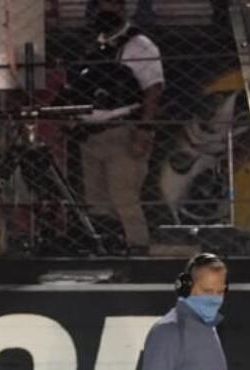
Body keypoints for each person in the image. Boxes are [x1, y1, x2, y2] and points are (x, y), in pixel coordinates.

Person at [68, 0, 163, 254]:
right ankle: (109, 249)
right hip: (91, 135)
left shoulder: (139, 45)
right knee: (96, 202)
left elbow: (153, 91)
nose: (104, 12)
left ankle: (138, 251)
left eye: (110, 6)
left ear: (122, 8)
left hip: (123, 131)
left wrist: (144, 130)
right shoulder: (93, 46)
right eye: (99, 7)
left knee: (124, 197)